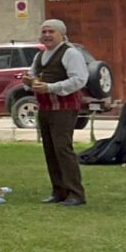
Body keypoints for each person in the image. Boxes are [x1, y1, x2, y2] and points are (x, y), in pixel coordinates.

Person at [27, 19, 88, 207]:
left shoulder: (70, 53)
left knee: (63, 149)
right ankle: (59, 191)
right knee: (50, 150)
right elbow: (32, 75)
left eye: (51, 31)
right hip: (45, 109)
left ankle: (76, 193)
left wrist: (51, 87)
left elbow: (79, 80)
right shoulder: (40, 56)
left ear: (61, 34)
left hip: (64, 108)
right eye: (44, 32)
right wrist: (29, 81)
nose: (46, 35)